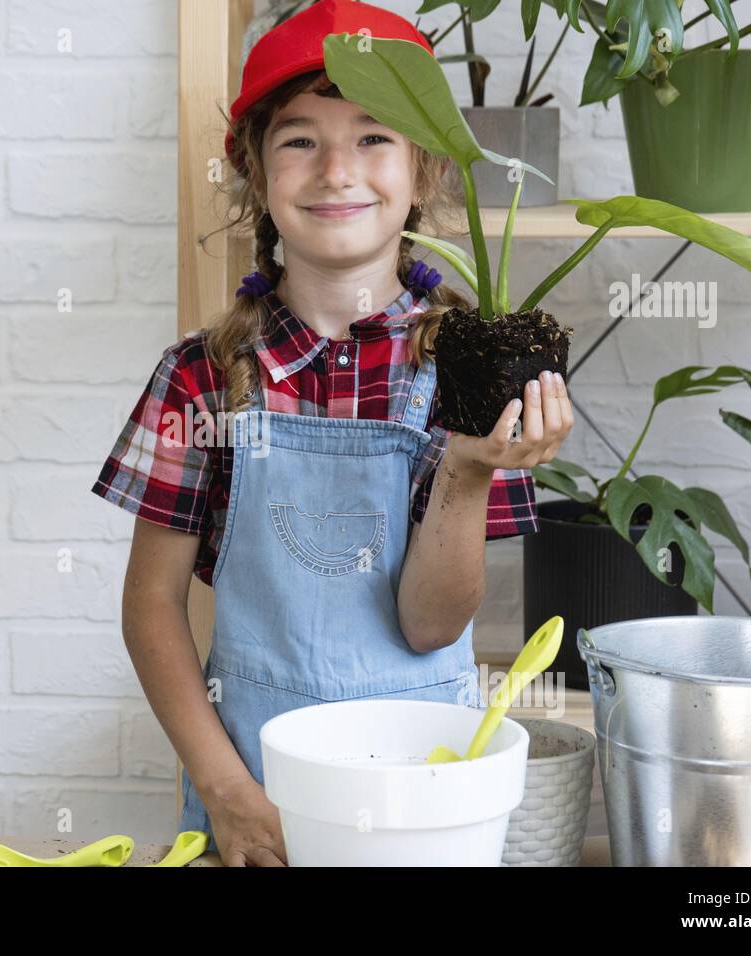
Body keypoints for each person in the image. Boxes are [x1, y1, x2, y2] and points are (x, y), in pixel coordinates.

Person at [90, 0, 573, 866]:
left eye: (374, 137)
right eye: (300, 139)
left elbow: (429, 626)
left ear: (423, 171)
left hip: (422, 804)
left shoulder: (472, 375)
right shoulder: (200, 377)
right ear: (256, 173)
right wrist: (228, 791)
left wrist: (468, 468)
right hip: (255, 802)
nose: (337, 170)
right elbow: (151, 605)